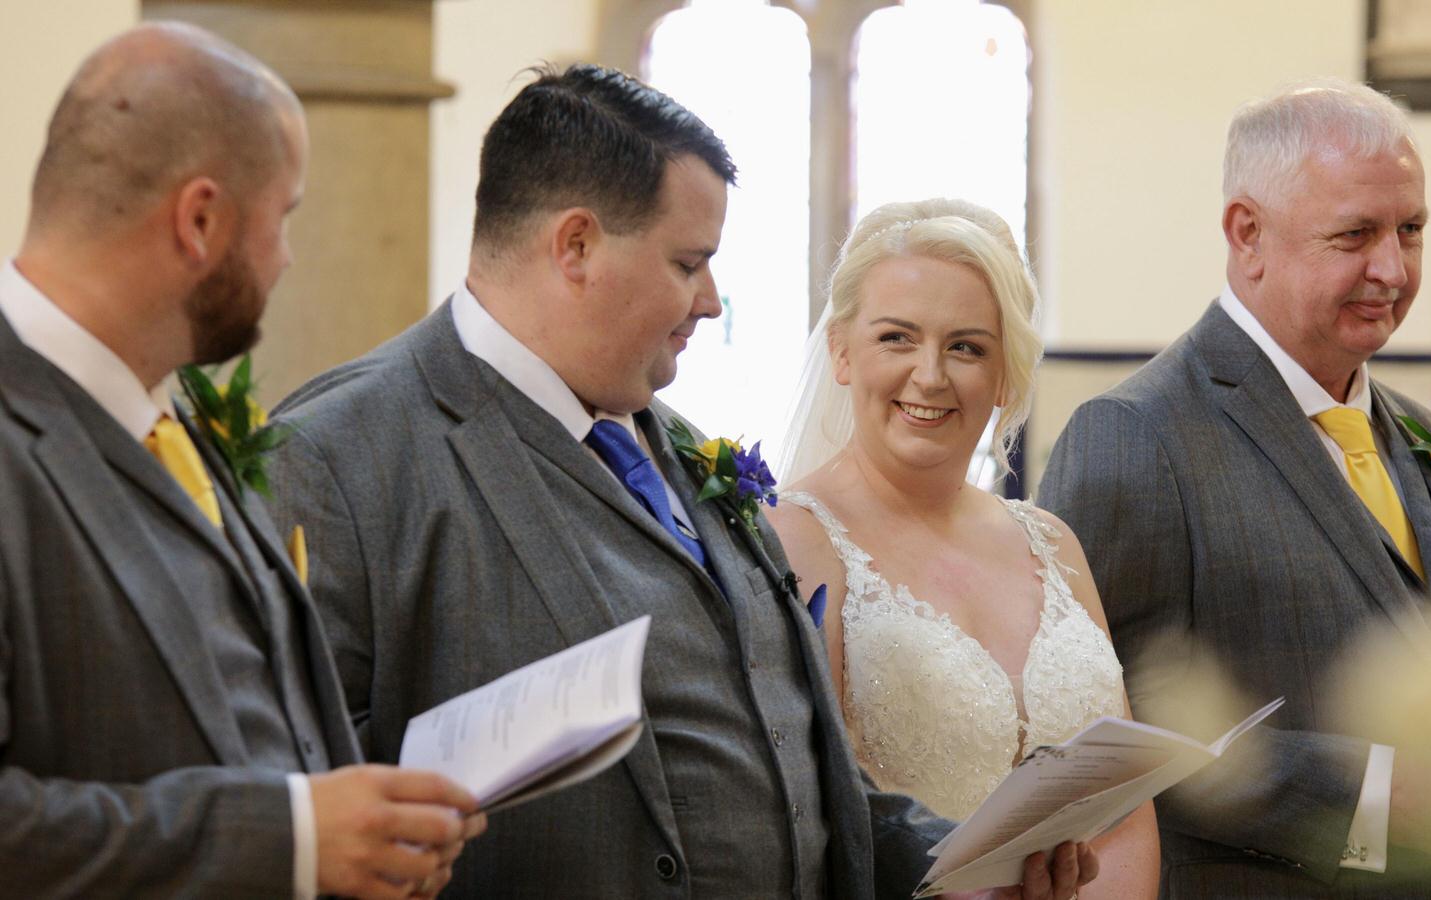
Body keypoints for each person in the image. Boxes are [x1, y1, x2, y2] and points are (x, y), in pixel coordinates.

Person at [264, 64, 1088, 899]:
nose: (711, 300)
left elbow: (789, 759)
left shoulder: (684, 450)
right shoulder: (340, 455)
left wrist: (967, 866)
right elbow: (297, 799)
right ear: (576, 245)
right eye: (689, 263)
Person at [0, 22, 484, 899]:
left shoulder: (164, 406)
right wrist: (292, 838)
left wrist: (361, 835)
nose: (289, 257)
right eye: (284, 216)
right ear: (200, 220)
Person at [1038, 78, 1431, 896]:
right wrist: (1379, 796)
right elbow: (1107, 731)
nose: (1391, 268)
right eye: (1355, 233)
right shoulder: (1136, 435)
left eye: (1412, 230)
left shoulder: (1430, 439)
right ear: (1247, 232)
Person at [769, 198, 1157, 898]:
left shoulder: (1054, 544)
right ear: (841, 351)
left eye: (966, 346)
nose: (930, 376)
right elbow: (811, 809)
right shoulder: (794, 541)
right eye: (897, 338)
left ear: (1004, 372)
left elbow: (1124, 811)